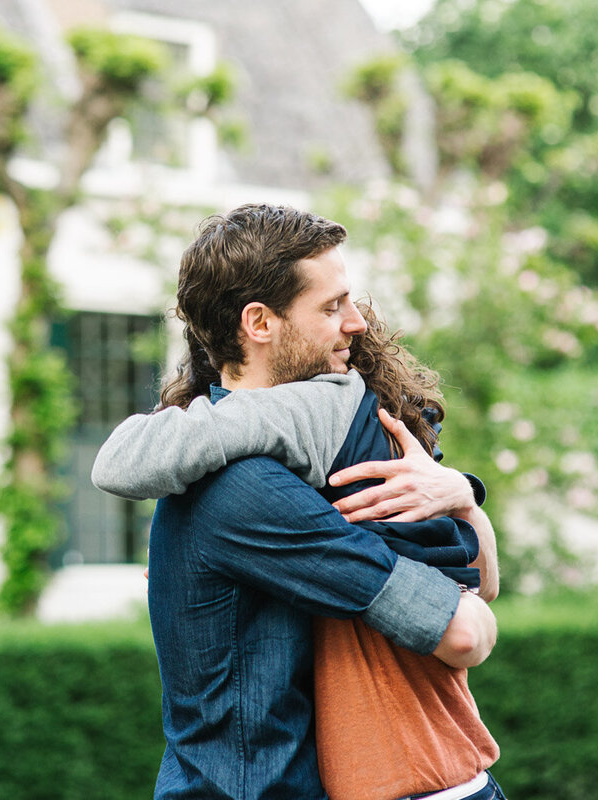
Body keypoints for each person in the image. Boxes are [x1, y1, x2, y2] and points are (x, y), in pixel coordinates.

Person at [91, 204, 500, 799]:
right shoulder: (243, 486)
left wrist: (463, 498)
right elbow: (466, 627)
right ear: (259, 322)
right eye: (331, 307)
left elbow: (480, 580)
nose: (357, 322)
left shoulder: (315, 452)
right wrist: (471, 611)